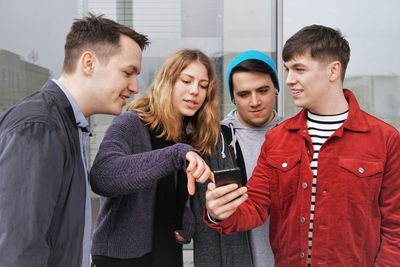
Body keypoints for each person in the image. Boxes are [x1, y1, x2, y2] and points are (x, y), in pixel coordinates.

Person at [205, 24, 400, 266]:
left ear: (333, 71)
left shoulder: (384, 139)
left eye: (299, 69)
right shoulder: (278, 138)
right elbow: (254, 206)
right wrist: (218, 212)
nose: (288, 80)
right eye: (287, 70)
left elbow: (395, 227)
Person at [0, 13, 149, 267]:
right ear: (89, 63)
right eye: (127, 72)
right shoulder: (40, 126)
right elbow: (20, 249)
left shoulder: (68, 124)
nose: (135, 87)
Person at [89, 48, 219, 267]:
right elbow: (102, 176)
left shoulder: (188, 135)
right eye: (186, 81)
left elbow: (170, 194)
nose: (195, 91)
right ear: (167, 81)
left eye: (203, 86)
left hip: (166, 254)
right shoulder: (131, 123)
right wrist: (175, 153)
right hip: (122, 259)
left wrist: (185, 217)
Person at [192, 50, 283, 267]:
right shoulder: (211, 140)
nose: (254, 101)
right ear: (233, 97)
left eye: (263, 90)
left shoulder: (295, 136)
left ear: (276, 88)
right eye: (244, 94)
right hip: (232, 257)